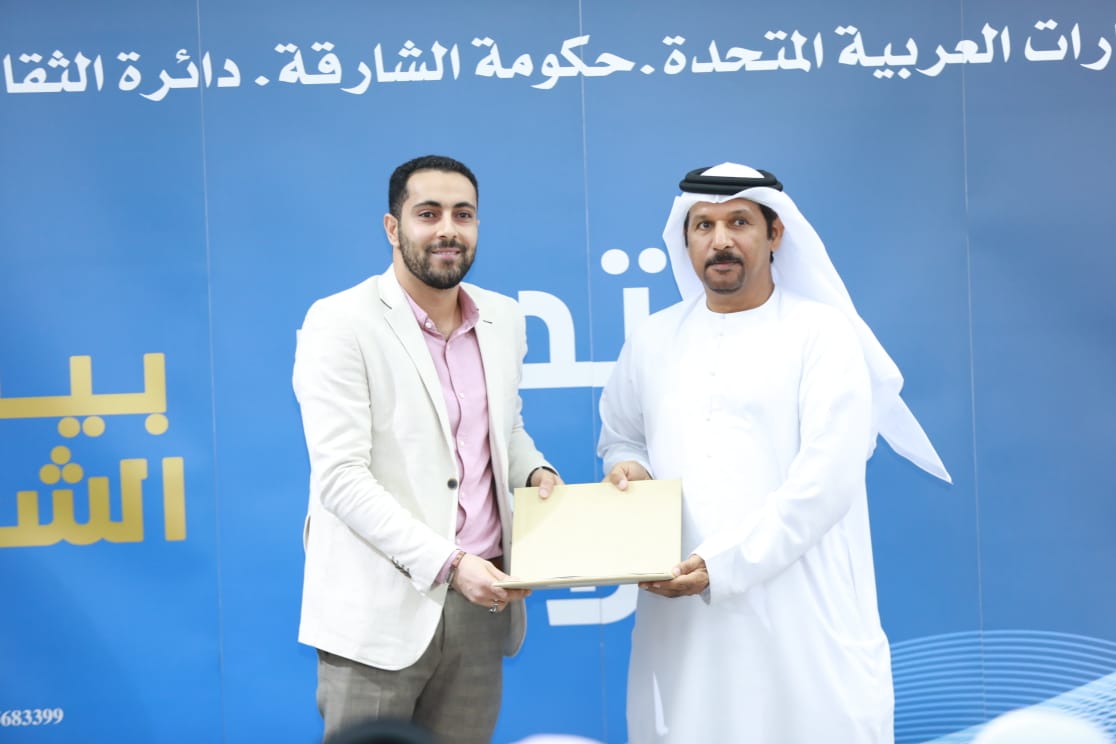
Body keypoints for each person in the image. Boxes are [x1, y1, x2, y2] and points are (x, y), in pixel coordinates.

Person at [597, 162, 951, 743]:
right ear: (685, 240)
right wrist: (627, 468)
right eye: (703, 225)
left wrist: (722, 565)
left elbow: (825, 482)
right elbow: (621, 436)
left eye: (739, 222)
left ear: (775, 233)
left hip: (800, 608)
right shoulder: (653, 339)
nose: (720, 240)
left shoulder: (822, 334)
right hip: (683, 615)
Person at [293, 154, 561, 744]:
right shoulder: (339, 321)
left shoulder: (503, 317)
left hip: (483, 602)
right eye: (428, 213)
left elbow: (504, 429)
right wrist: (452, 565)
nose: (448, 230)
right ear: (393, 228)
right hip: (377, 609)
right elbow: (341, 477)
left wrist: (534, 472)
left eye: (463, 215)